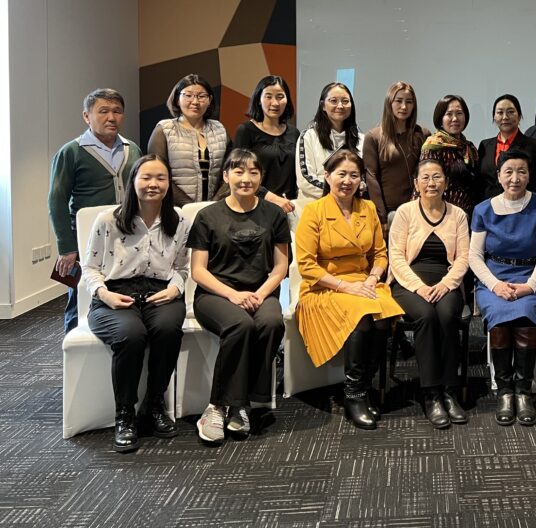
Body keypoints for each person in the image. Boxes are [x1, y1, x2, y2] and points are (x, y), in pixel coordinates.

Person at [82, 155, 189, 452]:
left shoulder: (179, 220)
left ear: (169, 183)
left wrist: (176, 289)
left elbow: (183, 267)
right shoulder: (108, 220)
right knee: (131, 335)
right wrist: (104, 294)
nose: (153, 184)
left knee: (168, 329)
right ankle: (125, 414)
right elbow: (90, 268)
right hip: (115, 294)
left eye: (161, 178)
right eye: (146, 177)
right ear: (133, 181)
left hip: (160, 293)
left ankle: (154, 406)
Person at [294, 150, 403, 430]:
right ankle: (353, 394)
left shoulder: (367, 209)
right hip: (324, 287)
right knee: (363, 321)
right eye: (341, 174)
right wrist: (346, 286)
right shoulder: (313, 211)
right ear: (327, 176)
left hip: (362, 283)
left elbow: (380, 254)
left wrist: (371, 279)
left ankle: (363, 386)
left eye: (354, 175)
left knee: (384, 316)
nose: (347, 180)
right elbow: (307, 266)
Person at [188, 149, 290, 445]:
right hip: (215, 294)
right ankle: (218, 406)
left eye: (253, 173)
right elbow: (198, 271)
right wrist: (233, 295)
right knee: (240, 325)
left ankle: (241, 404)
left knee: (271, 323)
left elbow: (281, 266)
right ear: (226, 176)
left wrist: (258, 294)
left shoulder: (274, 214)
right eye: (238, 171)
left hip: (261, 292)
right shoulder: (207, 216)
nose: (246, 179)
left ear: (261, 177)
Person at [469, 150, 536, 426]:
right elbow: (474, 256)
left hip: (530, 276)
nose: (515, 178)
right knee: (499, 318)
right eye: (508, 172)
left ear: (529, 175)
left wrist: (530, 286)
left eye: (521, 171)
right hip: (494, 277)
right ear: (498, 176)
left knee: (527, 314)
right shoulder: (483, 209)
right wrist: (494, 285)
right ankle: (505, 390)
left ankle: (523, 390)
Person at [49, 88, 143, 333]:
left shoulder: (132, 149)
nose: (111, 117)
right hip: (86, 239)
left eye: (117, 111)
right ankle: (72, 351)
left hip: (127, 236)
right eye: (103, 111)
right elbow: (57, 200)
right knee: (79, 297)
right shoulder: (71, 151)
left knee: (121, 294)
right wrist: (66, 247)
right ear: (86, 116)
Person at [389, 160, 470, 428]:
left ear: (446, 183)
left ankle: (450, 390)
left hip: (446, 282)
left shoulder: (457, 214)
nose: (431, 183)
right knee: (425, 316)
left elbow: (464, 258)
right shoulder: (405, 212)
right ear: (416, 183)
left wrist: (446, 284)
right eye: (425, 177)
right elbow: (397, 258)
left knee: (447, 315)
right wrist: (419, 287)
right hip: (408, 282)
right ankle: (431, 393)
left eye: (437, 177)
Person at [148, 74, 231, 207]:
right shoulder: (164, 130)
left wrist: (213, 206)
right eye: (188, 95)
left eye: (201, 96)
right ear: (177, 99)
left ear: (209, 100)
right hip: (174, 210)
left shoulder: (220, 129)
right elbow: (158, 175)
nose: (195, 101)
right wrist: (190, 208)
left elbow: (230, 172)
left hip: (214, 210)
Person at [363, 81, 430, 234]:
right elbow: (371, 177)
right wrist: (381, 216)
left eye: (409, 102)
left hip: (419, 209)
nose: (404, 107)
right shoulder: (374, 137)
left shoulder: (423, 134)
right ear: (389, 103)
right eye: (398, 101)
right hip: (389, 212)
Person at [234, 75, 300, 218]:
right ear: (259, 99)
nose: (275, 103)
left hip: (290, 206)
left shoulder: (294, 132)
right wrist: (271, 197)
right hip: (256, 206)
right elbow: (238, 172)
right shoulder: (246, 130)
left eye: (280, 96)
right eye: (268, 96)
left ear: (287, 100)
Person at [295, 82, 363, 211]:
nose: (340, 106)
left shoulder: (361, 139)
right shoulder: (308, 136)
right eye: (333, 101)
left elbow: (362, 178)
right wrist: (338, 192)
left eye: (345, 101)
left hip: (350, 209)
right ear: (323, 106)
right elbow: (305, 181)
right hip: (315, 208)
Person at [478, 94, 536, 199]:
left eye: (510, 112)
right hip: (490, 208)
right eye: (500, 112)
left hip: (523, 208)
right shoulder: (485, 145)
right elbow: (479, 182)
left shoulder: (534, 146)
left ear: (519, 116)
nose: (505, 117)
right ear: (494, 117)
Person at [420, 94, 479, 216]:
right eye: (449, 114)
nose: (455, 119)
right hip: (441, 216)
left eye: (459, 113)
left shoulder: (470, 147)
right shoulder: (433, 146)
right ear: (440, 119)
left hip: (470, 215)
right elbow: (426, 184)